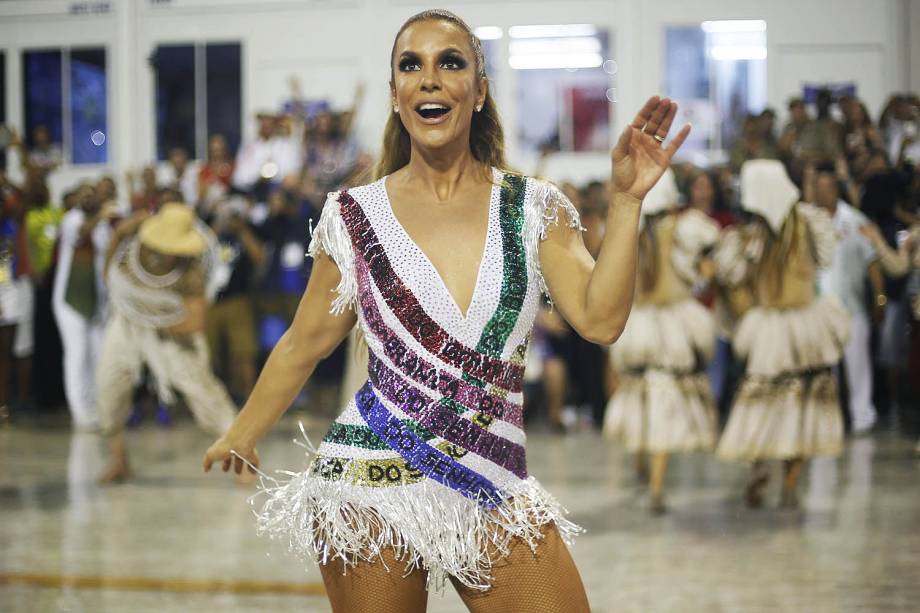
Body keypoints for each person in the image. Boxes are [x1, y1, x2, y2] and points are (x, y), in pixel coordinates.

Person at [203, 9, 689, 612]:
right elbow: (305, 342)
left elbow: (601, 320)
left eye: (450, 63)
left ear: (479, 92)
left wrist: (625, 202)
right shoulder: (353, 216)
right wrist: (242, 432)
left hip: (494, 482)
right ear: (395, 93)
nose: (429, 79)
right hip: (368, 484)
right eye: (412, 65)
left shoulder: (533, 206)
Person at [715, 160, 848, 509]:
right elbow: (825, 259)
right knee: (798, 405)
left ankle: (763, 471)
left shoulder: (754, 236)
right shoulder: (804, 223)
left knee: (765, 402)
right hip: (801, 325)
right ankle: (788, 485)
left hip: (775, 327)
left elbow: (733, 279)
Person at [603, 168, 719, 514]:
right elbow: (702, 276)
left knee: (639, 395)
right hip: (672, 325)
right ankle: (655, 486)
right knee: (665, 404)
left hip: (639, 324)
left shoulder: (630, 236)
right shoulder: (684, 231)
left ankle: (640, 464)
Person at [96, 203, 237, 483]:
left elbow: (194, 322)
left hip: (171, 331)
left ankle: (241, 457)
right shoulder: (131, 249)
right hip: (127, 322)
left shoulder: (192, 271)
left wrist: (158, 322)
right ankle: (120, 462)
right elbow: (108, 276)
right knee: (108, 387)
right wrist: (115, 237)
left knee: (203, 391)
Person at [809, 167, 884, 432]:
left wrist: (880, 297)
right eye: (819, 187)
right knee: (824, 370)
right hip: (819, 310)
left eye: (828, 187)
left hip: (852, 308)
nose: (823, 192)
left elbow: (872, 261)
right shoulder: (808, 222)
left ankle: (862, 416)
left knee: (858, 366)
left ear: (836, 189)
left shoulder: (855, 221)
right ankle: (826, 420)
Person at [52, 183, 114, 430]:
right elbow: (80, 234)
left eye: (93, 195)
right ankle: (80, 413)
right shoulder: (71, 219)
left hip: (96, 302)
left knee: (97, 357)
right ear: (78, 198)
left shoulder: (103, 227)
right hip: (70, 301)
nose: (88, 198)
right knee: (76, 356)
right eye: (84, 194)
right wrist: (101, 216)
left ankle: (96, 408)